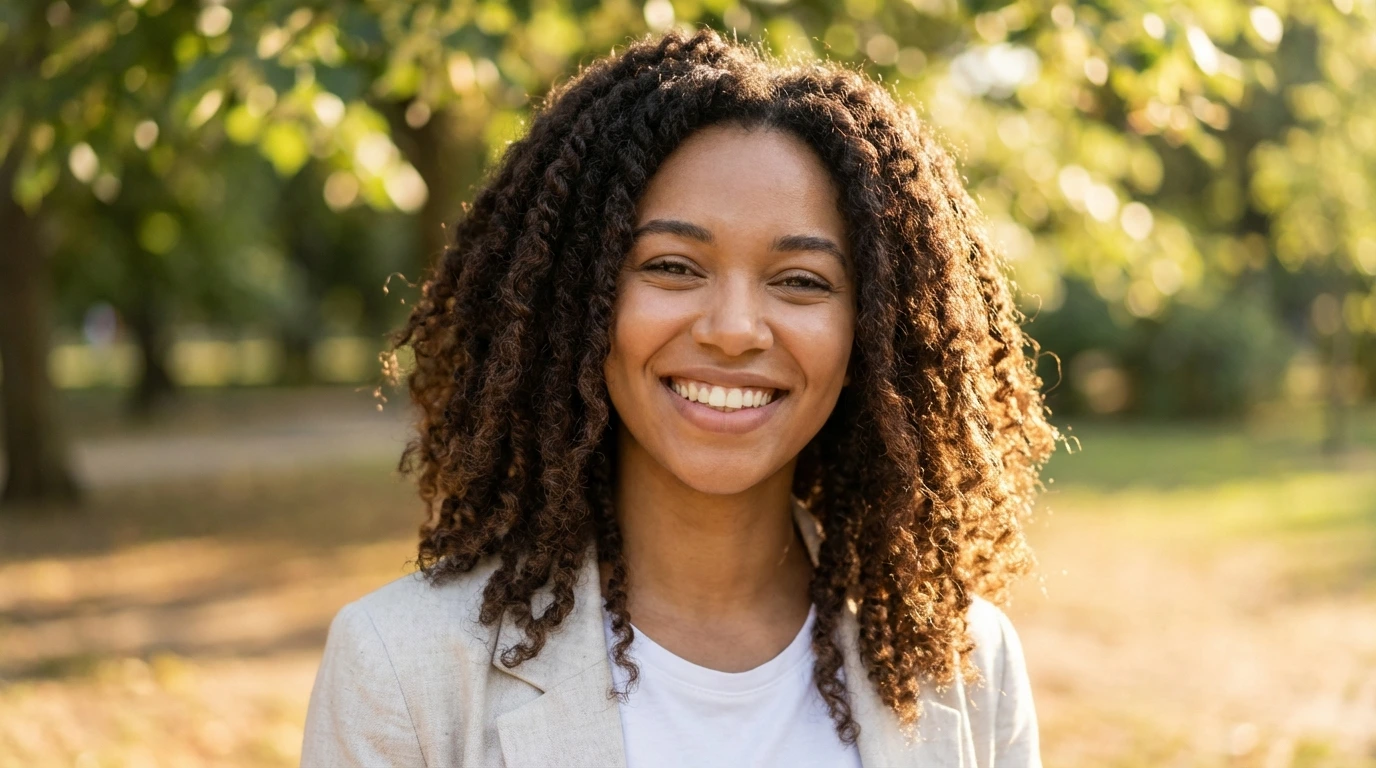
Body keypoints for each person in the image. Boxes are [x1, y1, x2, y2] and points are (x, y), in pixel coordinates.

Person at [302, 25, 1059, 768]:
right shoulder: (402, 668)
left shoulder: (968, 665)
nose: (734, 330)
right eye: (672, 266)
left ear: (875, 329)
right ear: (577, 300)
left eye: (800, 281)